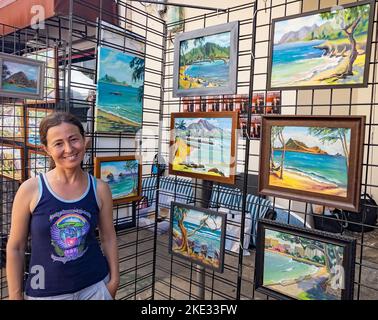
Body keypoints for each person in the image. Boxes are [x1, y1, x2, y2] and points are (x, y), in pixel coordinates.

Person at [6, 112, 119, 300]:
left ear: (84, 141)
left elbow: (108, 237)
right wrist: (15, 296)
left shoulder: (100, 189)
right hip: (44, 291)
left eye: (74, 139)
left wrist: (114, 281)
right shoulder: (31, 190)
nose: (68, 149)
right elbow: (15, 247)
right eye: (58, 143)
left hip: (96, 287)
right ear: (47, 149)